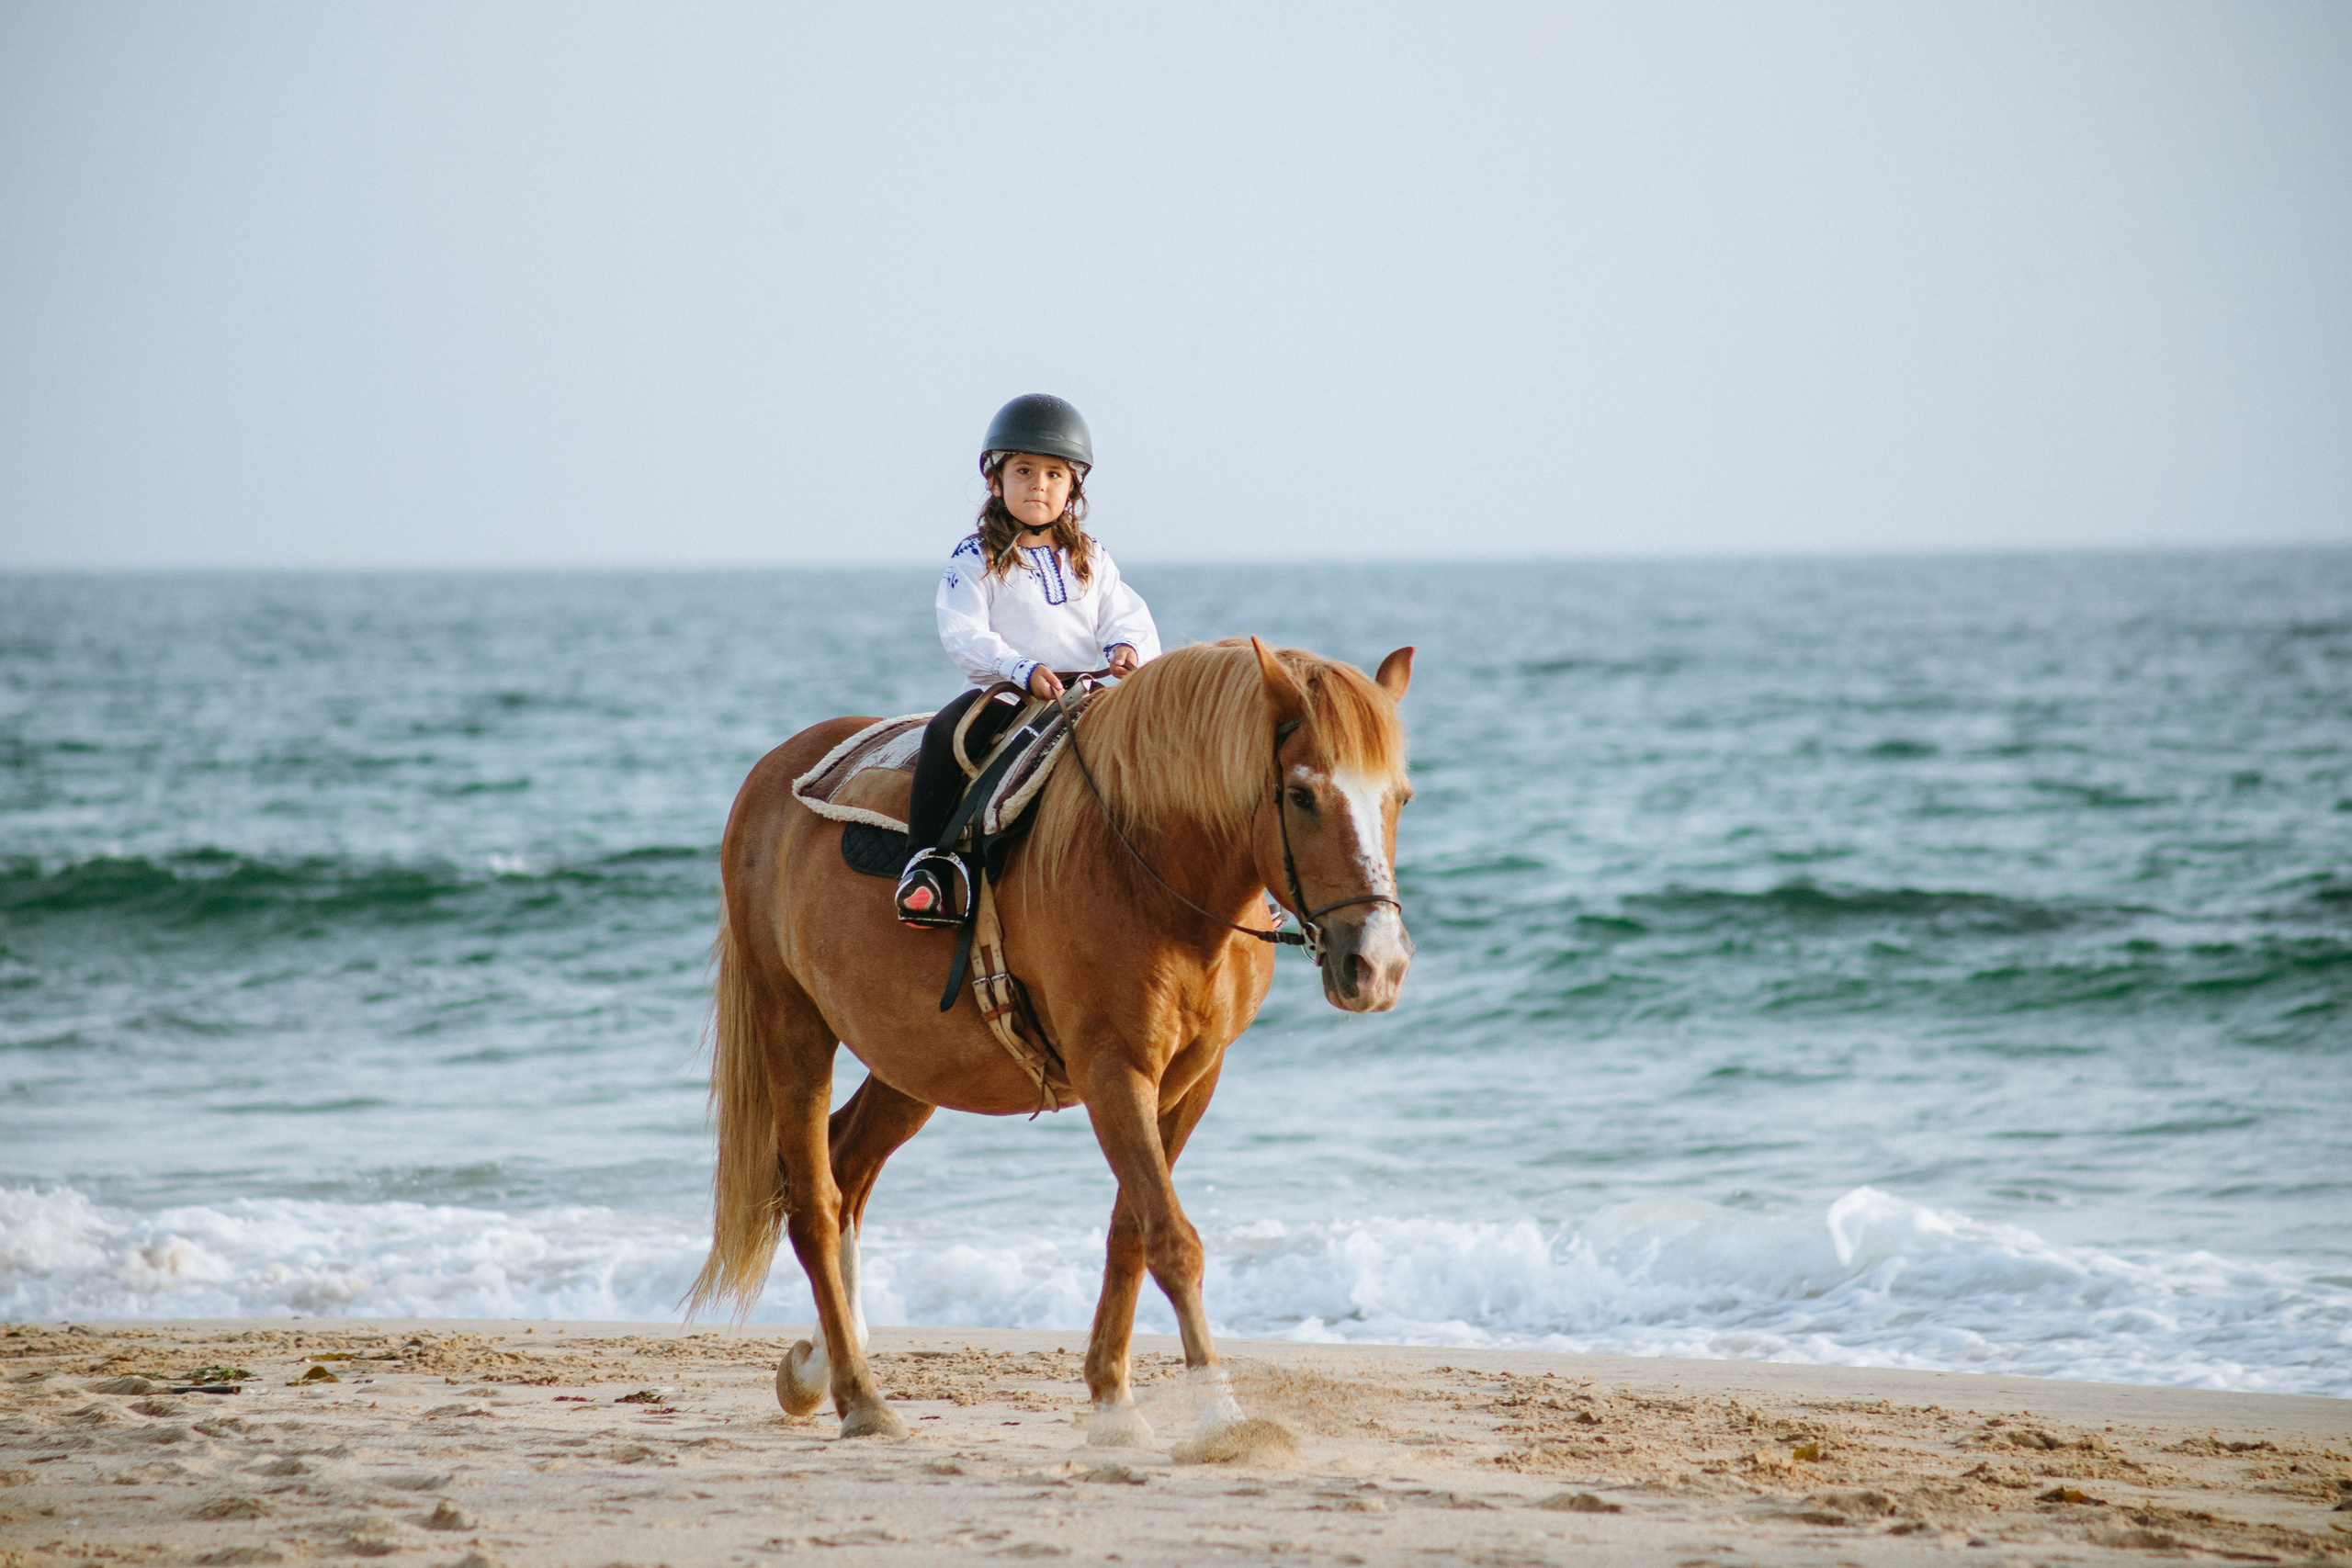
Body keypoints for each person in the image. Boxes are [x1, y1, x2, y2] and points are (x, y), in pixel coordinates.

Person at [895, 393, 1161, 927]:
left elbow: (1124, 613)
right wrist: (1021, 669)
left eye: (1054, 474)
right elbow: (963, 630)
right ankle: (927, 864)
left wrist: (1126, 648)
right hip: (1015, 691)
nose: (1039, 484)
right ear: (996, 480)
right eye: (1024, 470)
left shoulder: (1092, 555)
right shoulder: (975, 557)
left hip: (1092, 690)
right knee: (946, 735)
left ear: (1072, 487)